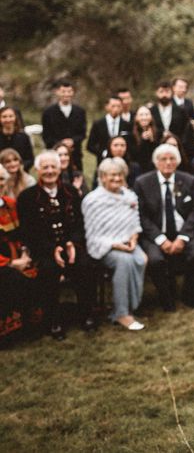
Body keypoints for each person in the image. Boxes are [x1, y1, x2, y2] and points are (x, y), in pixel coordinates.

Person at [17, 151, 95, 340]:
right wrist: (52, 248)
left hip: (71, 246)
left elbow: (80, 223)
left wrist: (71, 243)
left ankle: (86, 315)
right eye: (45, 167)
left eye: (53, 167)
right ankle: (53, 321)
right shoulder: (27, 197)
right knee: (48, 270)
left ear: (60, 169)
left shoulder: (70, 192)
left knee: (85, 265)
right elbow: (28, 232)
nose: (50, 171)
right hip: (44, 249)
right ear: (37, 170)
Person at [134, 144, 194, 312]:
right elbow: (142, 216)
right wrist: (161, 240)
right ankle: (167, 300)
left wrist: (182, 238)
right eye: (163, 159)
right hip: (155, 234)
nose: (168, 162)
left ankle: (189, 296)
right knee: (155, 260)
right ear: (156, 162)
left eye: (172, 159)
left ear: (178, 161)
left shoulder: (188, 180)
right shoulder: (143, 183)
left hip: (183, 232)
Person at [82, 158, 147, 331]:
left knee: (140, 259)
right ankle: (121, 313)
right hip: (105, 245)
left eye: (119, 175)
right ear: (102, 177)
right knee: (124, 262)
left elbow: (135, 222)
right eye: (112, 175)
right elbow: (93, 233)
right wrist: (116, 245)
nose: (117, 179)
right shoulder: (93, 200)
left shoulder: (129, 196)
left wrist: (133, 239)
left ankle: (132, 305)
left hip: (127, 241)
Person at [0, 164, 41, 341]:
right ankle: (9, 330)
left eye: (1, 179)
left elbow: (22, 233)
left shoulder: (10, 204)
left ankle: (32, 324)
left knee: (39, 270)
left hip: (17, 256)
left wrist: (24, 254)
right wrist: (10, 263)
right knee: (12, 278)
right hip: (4, 262)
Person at [41, 79, 87, 172]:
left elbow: (82, 133)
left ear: (73, 92)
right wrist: (60, 144)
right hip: (54, 154)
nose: (66, 94)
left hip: (75, 154)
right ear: (57, 92)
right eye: (63, 92)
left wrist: (72, 141)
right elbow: (46, 135)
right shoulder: (48, 112)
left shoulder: (80, 112)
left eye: (69, 91)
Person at [86, 95, 131, 166]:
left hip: (122, 161)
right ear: (106, 107)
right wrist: (103, 153)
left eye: (118, 106)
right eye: (113, 106)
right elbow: (90, 145)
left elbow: (130, 143)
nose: (116, 109)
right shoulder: (98, 124)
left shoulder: (127, 124)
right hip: (103, 162)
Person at [0, 107, 33, 171]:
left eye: (11, 116)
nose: (8, 119)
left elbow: (30, 159)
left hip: (20, 172)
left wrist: (18, 169)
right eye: (4, 117)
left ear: (15, 118)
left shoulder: (24, 137)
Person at [129, 106, 159, 173]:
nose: (144, 117)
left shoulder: (158, 132)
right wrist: (142, 140)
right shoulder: (131, 134)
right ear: (136, 118)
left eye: (146, 114)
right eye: (141, 115)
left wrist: (152, 140)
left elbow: (158, 152)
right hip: (138, 168)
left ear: (151, 117)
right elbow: (133, 154)